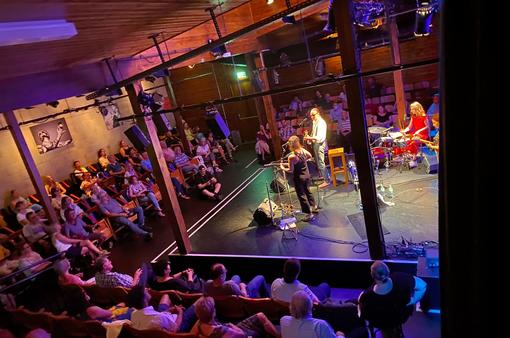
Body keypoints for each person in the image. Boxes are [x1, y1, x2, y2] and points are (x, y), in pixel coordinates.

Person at [358, 261, 427, 338]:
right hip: (401, 316)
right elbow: (423, 285)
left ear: (372, 275)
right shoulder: (401, 278)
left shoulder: (367, 296)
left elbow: (363, 315)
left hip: (383, 323)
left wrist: (360, 300)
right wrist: (413, 301)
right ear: (388, 271)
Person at [191, 296, 280, 338]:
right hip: (241, 333)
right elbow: (242, 335)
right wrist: (231, 326)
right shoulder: (221, 330)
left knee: (260, 316)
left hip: (232, 330)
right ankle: (278, 336)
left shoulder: (199, 323)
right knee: (261, 316)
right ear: (213, 312)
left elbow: (192, 334)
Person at [128, 284, 197, 333]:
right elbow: (175, 329)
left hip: (163, 320)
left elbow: (155, 318)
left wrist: (168, 310)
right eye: (145, 290)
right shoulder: (159, 318)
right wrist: (180, 311)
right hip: (179, 325)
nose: (147, 289)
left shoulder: (134, 315)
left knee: (165, 296)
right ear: (144, 299)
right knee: (202, 300)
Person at [281, 136, 319, 222]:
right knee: (308, 192)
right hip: (306, 176)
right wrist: (303, 161)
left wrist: (282, 167)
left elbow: (291, 170)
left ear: (291, 145)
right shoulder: (302, 150)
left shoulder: (291, 156)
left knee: (301, 196)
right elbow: (309, 155)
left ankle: (308, 214)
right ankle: (314, 207)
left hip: (299, 178)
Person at [204, 263, 270, 298]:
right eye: (225, 271)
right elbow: (244, 297)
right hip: (246, 297)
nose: (226, 271)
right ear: (221, 276)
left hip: (225, 299)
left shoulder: (207, 284)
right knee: (260, 277)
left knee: (236, 277)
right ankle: (266, 300)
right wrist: (242, 286)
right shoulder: (230, 286)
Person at [304, 108, 331, 188]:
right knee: (318, 162)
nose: (312, 117)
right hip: (315, 144)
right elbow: (314, 134)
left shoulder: (321, 123)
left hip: (320, 144)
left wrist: (309, 138)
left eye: (313, 115)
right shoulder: (315, 122)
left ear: (318, 113)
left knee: (321, 162)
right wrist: (309, 137)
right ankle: (324, 176)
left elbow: (320, 137)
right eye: (311, 115)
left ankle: (327, 180)